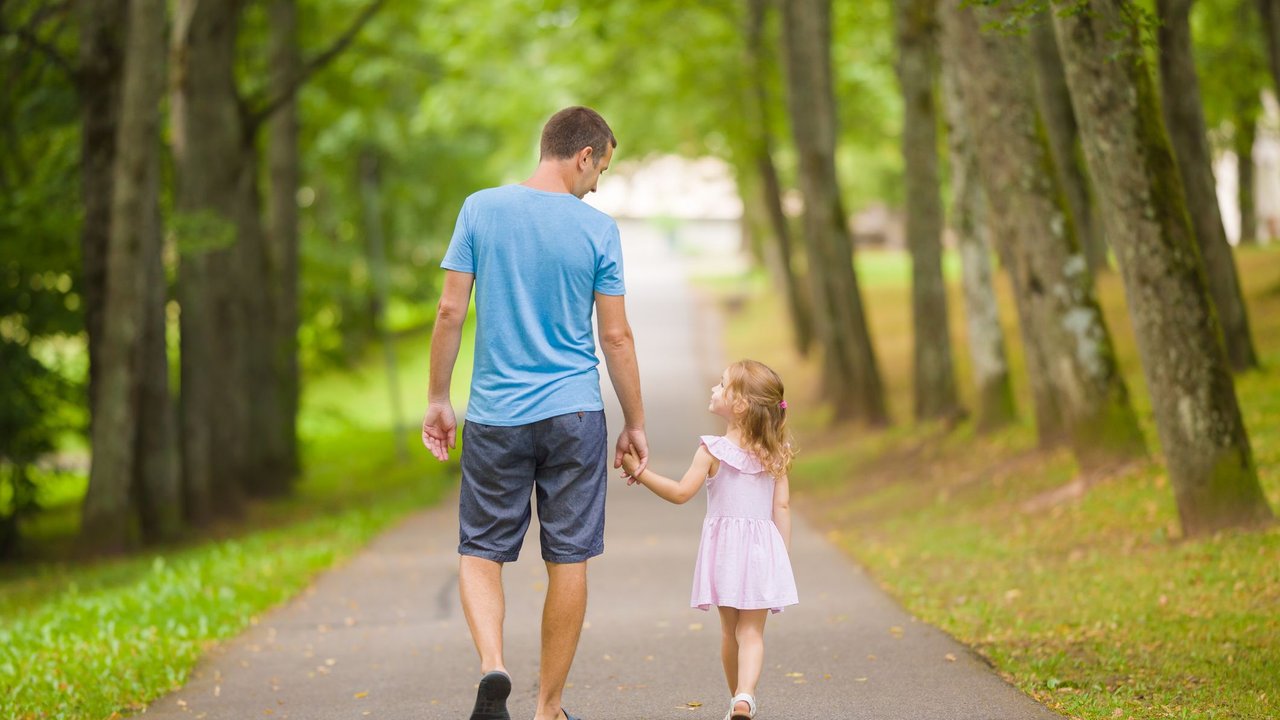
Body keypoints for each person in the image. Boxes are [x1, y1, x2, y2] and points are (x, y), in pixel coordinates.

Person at [421, 106, 648, 720]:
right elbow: (617, 337)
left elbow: (449, 312)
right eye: (601, 167)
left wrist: (440, 399)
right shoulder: (598, 231)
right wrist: (635, 421)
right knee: (568, 556)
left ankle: (494, 667)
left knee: (482, 551)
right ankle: (548, 709)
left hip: (496, 413)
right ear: (584, 155)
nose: (598, 182)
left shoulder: (480, 209)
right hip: (574, 412)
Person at [620, 359, 798, 720]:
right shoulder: (774, 454)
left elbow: (681, 493)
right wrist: (782, 556)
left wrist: (640, 472)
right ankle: (744, 696)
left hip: (726, 555)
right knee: (752, 633)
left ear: (739, 404)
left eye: (721, 385)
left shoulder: (712, 449)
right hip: (763, 553)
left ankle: (737, 697)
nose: (714, 389)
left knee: (729, 632)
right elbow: (782, 506)